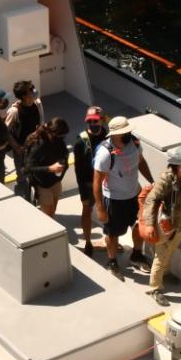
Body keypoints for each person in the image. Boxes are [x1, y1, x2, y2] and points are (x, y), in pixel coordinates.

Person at [92, 116, 153, 279]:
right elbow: (96, 182)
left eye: (128, 130)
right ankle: (112, 262)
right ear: (115, 134)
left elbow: (141, 162)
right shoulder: (105, 154)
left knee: (139, 227)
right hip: (114, 200)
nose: (129, 133)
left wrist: (152, 181)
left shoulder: (135, 143)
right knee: (113, 233)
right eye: (125, 132)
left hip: (135, 195)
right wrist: (100, 208)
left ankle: (136, 255)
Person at [141, 145, 181, 307]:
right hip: (165, 224)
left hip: (179, 223)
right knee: (162, 255)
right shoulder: (166, 179)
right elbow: (151, 200)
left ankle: (165, 274)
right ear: (178, 164)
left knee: (171, 250)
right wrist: (150, 224)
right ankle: (155, 288)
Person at [73, 106, 108, 256]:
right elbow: (78, 169)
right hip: (88, 184)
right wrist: (83, 189)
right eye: (90, 121)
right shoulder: (80, 142)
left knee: (109, 211)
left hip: (106, 181)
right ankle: (88, 242)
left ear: (102, 120)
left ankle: (111, 239)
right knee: (87, 210)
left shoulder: (107, 135)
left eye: (95, 120)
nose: (93, 124)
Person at [5, 80, 44, 199]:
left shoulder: (37, 104)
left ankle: (37, 198)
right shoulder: (14, 111)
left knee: (37, 174)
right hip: (21, 150)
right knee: (22, 178)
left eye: (33, 88)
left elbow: (41, 123)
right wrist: (17, 147)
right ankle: (23, 199)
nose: (34, 91)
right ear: (24, 96)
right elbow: (5, 131)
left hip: (36, 147)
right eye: (30, 90)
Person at [23, 118, 69, 217]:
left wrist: (63, 168)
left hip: (56, 181)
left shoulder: (58, 140)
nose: (62, 139)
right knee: (50, 214)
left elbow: (64, 154)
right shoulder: (39, 144)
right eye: (60, 136)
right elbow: (27, 168)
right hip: (42, 184)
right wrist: (49, 168)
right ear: (51, 132)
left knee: (53, 210)